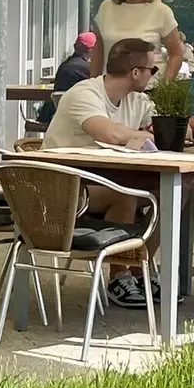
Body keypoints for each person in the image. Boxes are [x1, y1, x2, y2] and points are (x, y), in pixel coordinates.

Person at [44, 36, 161, 306]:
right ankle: (118, 277)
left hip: (98, 184)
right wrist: (144, 134)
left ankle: (139, 268)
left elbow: (177, 129)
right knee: (125, 195)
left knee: (175, 194)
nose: (153, 76)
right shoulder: (84, 93)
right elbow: (107, 133)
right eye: (152, 70)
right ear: (135, 72)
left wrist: (151, 132)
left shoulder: (137, 100)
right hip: (62, 190)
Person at [92, 0, 185, 76]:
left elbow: (176, 54)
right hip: (110, 87)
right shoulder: (106, 7)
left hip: (148, 88)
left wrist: (164, 86)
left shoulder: (161, 11)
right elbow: (98, 52)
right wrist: (94, 84)